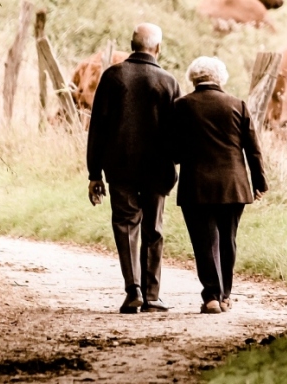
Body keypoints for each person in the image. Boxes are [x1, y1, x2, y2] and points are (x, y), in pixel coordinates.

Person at [86, 23, 181, 314]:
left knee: (126, 226)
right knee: (153, 228)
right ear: (158, 48)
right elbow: (177, 131)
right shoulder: (168, 81)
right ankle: (153, 296)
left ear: (131, 44)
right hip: (157, 169)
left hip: (120, 167)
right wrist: (175, 162)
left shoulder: (113, 76)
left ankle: (133, 291)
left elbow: (97, 128)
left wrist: (94, 174)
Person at [172, 57, 267, 314]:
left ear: (193, 77)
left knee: (204, 241)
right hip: (234, 185)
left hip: (196, 186)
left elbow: (174, 151)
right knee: (228, 239)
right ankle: (225, 296)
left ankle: (211, 296)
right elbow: (253, 150)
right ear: (220, 78)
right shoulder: (238, 105)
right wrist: (259, 182)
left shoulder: (181, 106)